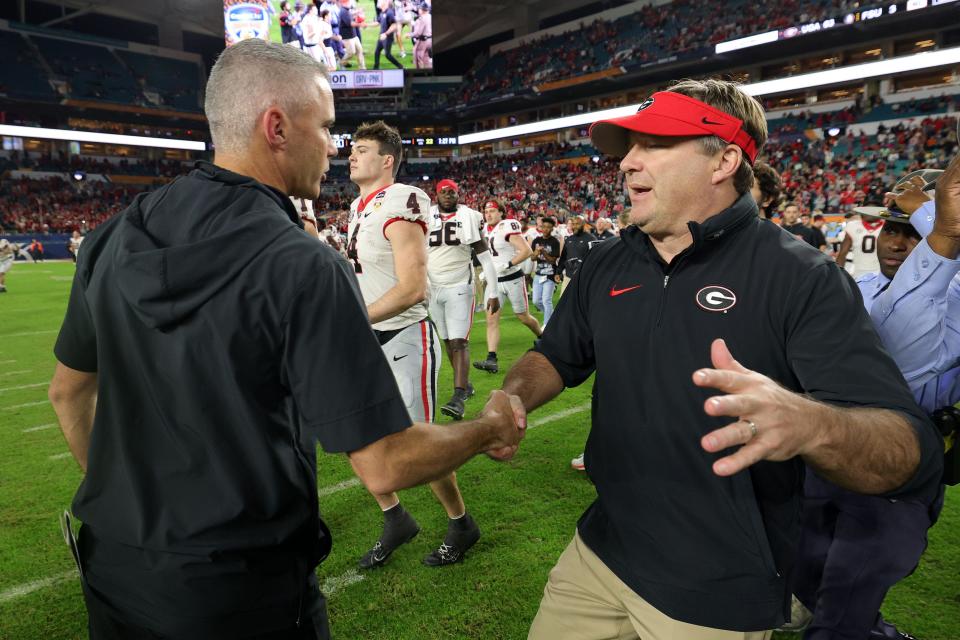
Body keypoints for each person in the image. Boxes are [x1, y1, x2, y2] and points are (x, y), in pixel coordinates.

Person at [47, 40, 523, 640]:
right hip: (241, 588)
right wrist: (488, 428)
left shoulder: (110, 238)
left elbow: (68, 393)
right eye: (325, 127)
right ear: (276, 126)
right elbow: (382, 463)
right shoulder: (300, 262)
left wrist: (130, 508)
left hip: (114, 569)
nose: (333, 145)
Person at [499, 79, 942, 639]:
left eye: (654, 144)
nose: (626, 162)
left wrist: (811, 422)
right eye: (629, 146)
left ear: (724, 161)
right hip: (601, 549)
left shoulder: (801, 277)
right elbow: (556, 357)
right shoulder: (609, 261)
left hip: (718, 586)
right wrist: (513, 395)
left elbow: (908, 450)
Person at [793, 164, 955, 640]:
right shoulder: (859, 287)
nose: (896, 243)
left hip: (901, 463)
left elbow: (906, 331)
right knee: (807, 564)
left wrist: (936, 220)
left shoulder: (956, 293)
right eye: (891, 228)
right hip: (828, 447)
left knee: (850, 590)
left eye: (911, 232)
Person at [346, 121, 488, 569]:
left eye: (362, 149)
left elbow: (412, 288)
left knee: (417, 443)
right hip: (368, 339)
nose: (351, 156)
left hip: (405, 334)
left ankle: (461, 522)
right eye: (352, 148)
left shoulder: (402, 199)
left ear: (386, 160)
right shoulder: (357, 205)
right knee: (355, 434)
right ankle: (395, 518)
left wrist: (354, 318)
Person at [427, 178, 500, 420]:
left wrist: (493, 291)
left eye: (453, 192)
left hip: (459, 285)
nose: (448, 195)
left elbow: (485, 257)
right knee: (447, 340)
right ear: (436, 195)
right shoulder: (425, 216)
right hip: (432, 287)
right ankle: (465, 385)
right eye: (444, 192)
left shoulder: (468, 216)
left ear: (458, 195)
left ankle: (458, 397)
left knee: (459, 342)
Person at [473, 200, 542, 374]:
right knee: (491, 319)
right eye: (486, 211)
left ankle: (543, 337)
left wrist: (507, 264)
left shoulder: (506, 226)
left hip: (512, 279)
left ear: (501, 213)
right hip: (495, 282)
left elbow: (526, 251)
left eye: (493, 211)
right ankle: (491, 359)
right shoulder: (484, 229)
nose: (488, 214)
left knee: (523, 317)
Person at [530, 216, 561, 327]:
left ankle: (547, 325)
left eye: (549, 227)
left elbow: (553, 260)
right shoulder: (536, 241)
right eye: (544, 227)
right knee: (536, 301)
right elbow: (532, 258)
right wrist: (536, 253)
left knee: (546, 300)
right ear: (541, 227)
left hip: (550, 275)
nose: (546, 229)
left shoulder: (554, 242)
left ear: (552, 229)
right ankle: (552, 316)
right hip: (538, 274)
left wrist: (543, 252)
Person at [836, 211, 883, 277]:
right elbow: (842, 252)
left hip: (857, 264)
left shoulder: (848, 230)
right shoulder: (847, 230)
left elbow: (842, 252)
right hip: (852, 262)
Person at [557, 214, 595, 294]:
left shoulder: (591, 239)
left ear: (583, 224)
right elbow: (564, 257)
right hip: (568, 276)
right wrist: (558, 272)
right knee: (564, 302)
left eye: (577, 224)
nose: (575, 226)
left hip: (583, 277)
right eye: (573, 224)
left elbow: (594, 259)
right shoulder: (569, 239)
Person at [372, 0, 402, 70]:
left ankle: (400, 66)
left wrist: (386, 34)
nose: (379, 2)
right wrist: (365, 24)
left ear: (385, 3)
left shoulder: (389, 12)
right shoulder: (382, 12)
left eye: (380, 1)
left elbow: (394, 25)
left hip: (387, 37)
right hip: (381, 36)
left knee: (387, 55)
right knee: (377, 52)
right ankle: (375, 68)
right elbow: (377, 22)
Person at [337, 0, 366, 69]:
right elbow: (351, 24)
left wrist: (358, 11)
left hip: (353, 35)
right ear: (345, 3)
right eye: (349, 2)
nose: (351, 3)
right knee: (351, 52)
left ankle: (362, 68)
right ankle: (341, 62)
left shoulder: (347, 10)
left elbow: (350, 13)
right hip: (347, 36)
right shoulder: (343, 11)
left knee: (359, 50)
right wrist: (361, 24)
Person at [408, 3, 431, 70]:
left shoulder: (422, 18)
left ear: (423, 10)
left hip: (423, 41)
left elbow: (418, 33)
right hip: (430, 40)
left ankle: (419, 75)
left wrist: (409, 35)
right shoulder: (430, 16)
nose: (418, 10)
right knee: (426, 58)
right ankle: (429, 74)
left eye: (419, 8)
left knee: (418, 58)